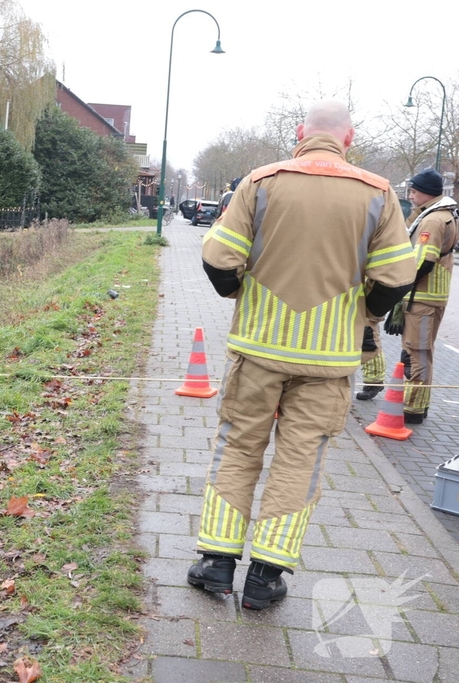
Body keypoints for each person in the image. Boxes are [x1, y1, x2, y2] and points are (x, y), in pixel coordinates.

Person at [187, 101, 416, 610]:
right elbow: (398, 276)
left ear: (299, 133)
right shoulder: (379, 193)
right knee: (300, 459)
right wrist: (363, 314)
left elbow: (218, 256)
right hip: (328, 360)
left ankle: (216, 564)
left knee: (238, 447)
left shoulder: (260, 182)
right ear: (348, 139)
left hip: (257, 351)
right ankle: (265, 578)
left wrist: (237, 293)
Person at [386, 168, 458, 424]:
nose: (411, 196)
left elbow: (423, 262)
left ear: (425, 192)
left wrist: (398, 287)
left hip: (424, 299)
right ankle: (418, 403)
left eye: (414, 191)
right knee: (417, 350)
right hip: (426, 297)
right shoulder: (435, 215)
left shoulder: (432, 221)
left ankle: (414, 407)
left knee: (417, 352)